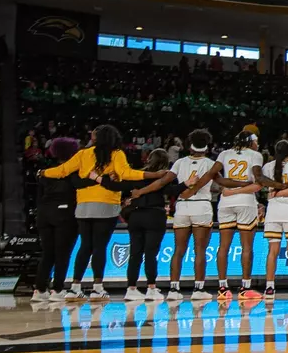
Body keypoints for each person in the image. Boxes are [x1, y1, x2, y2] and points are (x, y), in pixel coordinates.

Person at [42, 124, 164, 300]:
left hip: (84, 205)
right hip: (107, 204)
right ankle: (97, 287)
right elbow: (127, 174)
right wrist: (153, 175)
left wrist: (43, 172)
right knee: (99, 246)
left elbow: (62, 171)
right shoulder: (116, 154)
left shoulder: (83, 154)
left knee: (85, 246)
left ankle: (75, 286)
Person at [133, 129, 217, 301]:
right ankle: (198, 289)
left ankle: (173, 289)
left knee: (179, 249)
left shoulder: (179, 162)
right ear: (207, 146)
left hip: (182, 207)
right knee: (200, 250)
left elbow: (161, 183)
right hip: (201, 206)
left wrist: (140, 191)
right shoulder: (210, 163)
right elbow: (217, 185)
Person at [194, 131, 268, 301]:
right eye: (256, 142)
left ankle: (222, 288)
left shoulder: (224, 153)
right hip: (245, 202)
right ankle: (245, 287)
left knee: (224, 246)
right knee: (247, 246)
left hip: (225, 201)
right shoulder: (255, 155)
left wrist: (223, 186)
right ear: (250, 142)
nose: (257, 145)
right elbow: (258, 180)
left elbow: (214, 174)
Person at [104, 149, 175, 301]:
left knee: (135, 253)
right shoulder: (165, 175)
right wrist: (186, 184)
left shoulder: (136, 175)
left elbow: (116, 187)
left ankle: (131, 289)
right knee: (150, 253)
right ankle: (151, 288)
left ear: (149, 159)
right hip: (154, 215)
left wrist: (105, 178)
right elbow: (172, 190)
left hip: (136, 216)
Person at [31, 138, 82, 302]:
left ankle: (39, 290)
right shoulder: (73, 173)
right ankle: (57, 289)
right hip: (65, 214)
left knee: (48, 253)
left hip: (44, 214)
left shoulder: (45, 172)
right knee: (62, 254)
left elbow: (38, 196)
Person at [261, 140, 288, 299]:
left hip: (273, 211)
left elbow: (265, 188)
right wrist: (286, 188)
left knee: (272, 251)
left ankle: (269, 288)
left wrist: (276, 193)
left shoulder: (267, 167)